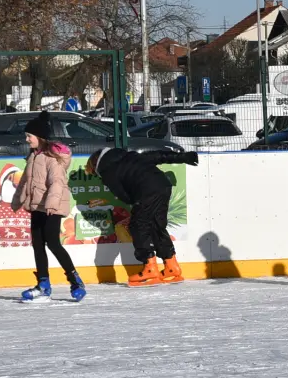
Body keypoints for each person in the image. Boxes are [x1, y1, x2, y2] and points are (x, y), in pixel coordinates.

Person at [85, 145, 198, 287]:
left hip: (147, 191)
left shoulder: (108, 172)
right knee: (157, 226)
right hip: (163, 185)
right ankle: (171, 266)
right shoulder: (131, 155)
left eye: (94, 173)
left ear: (96, 166)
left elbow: (123, 196)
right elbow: (158, 156)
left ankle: (150, 268)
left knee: (137, 226)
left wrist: (136, 200)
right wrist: (183, 157)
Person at [14, 111, 84, 302]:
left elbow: (57, 183)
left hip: (53, 206)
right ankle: (43, 284)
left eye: (29, 136)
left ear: (40, 137)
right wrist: (18, 201)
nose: (27, 140)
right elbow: (25, 181)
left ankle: (75, 281)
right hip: (37, 206)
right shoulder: (33, 156)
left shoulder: (52, 158)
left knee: (53, 243)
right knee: (37, 244)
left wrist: (51, 204)